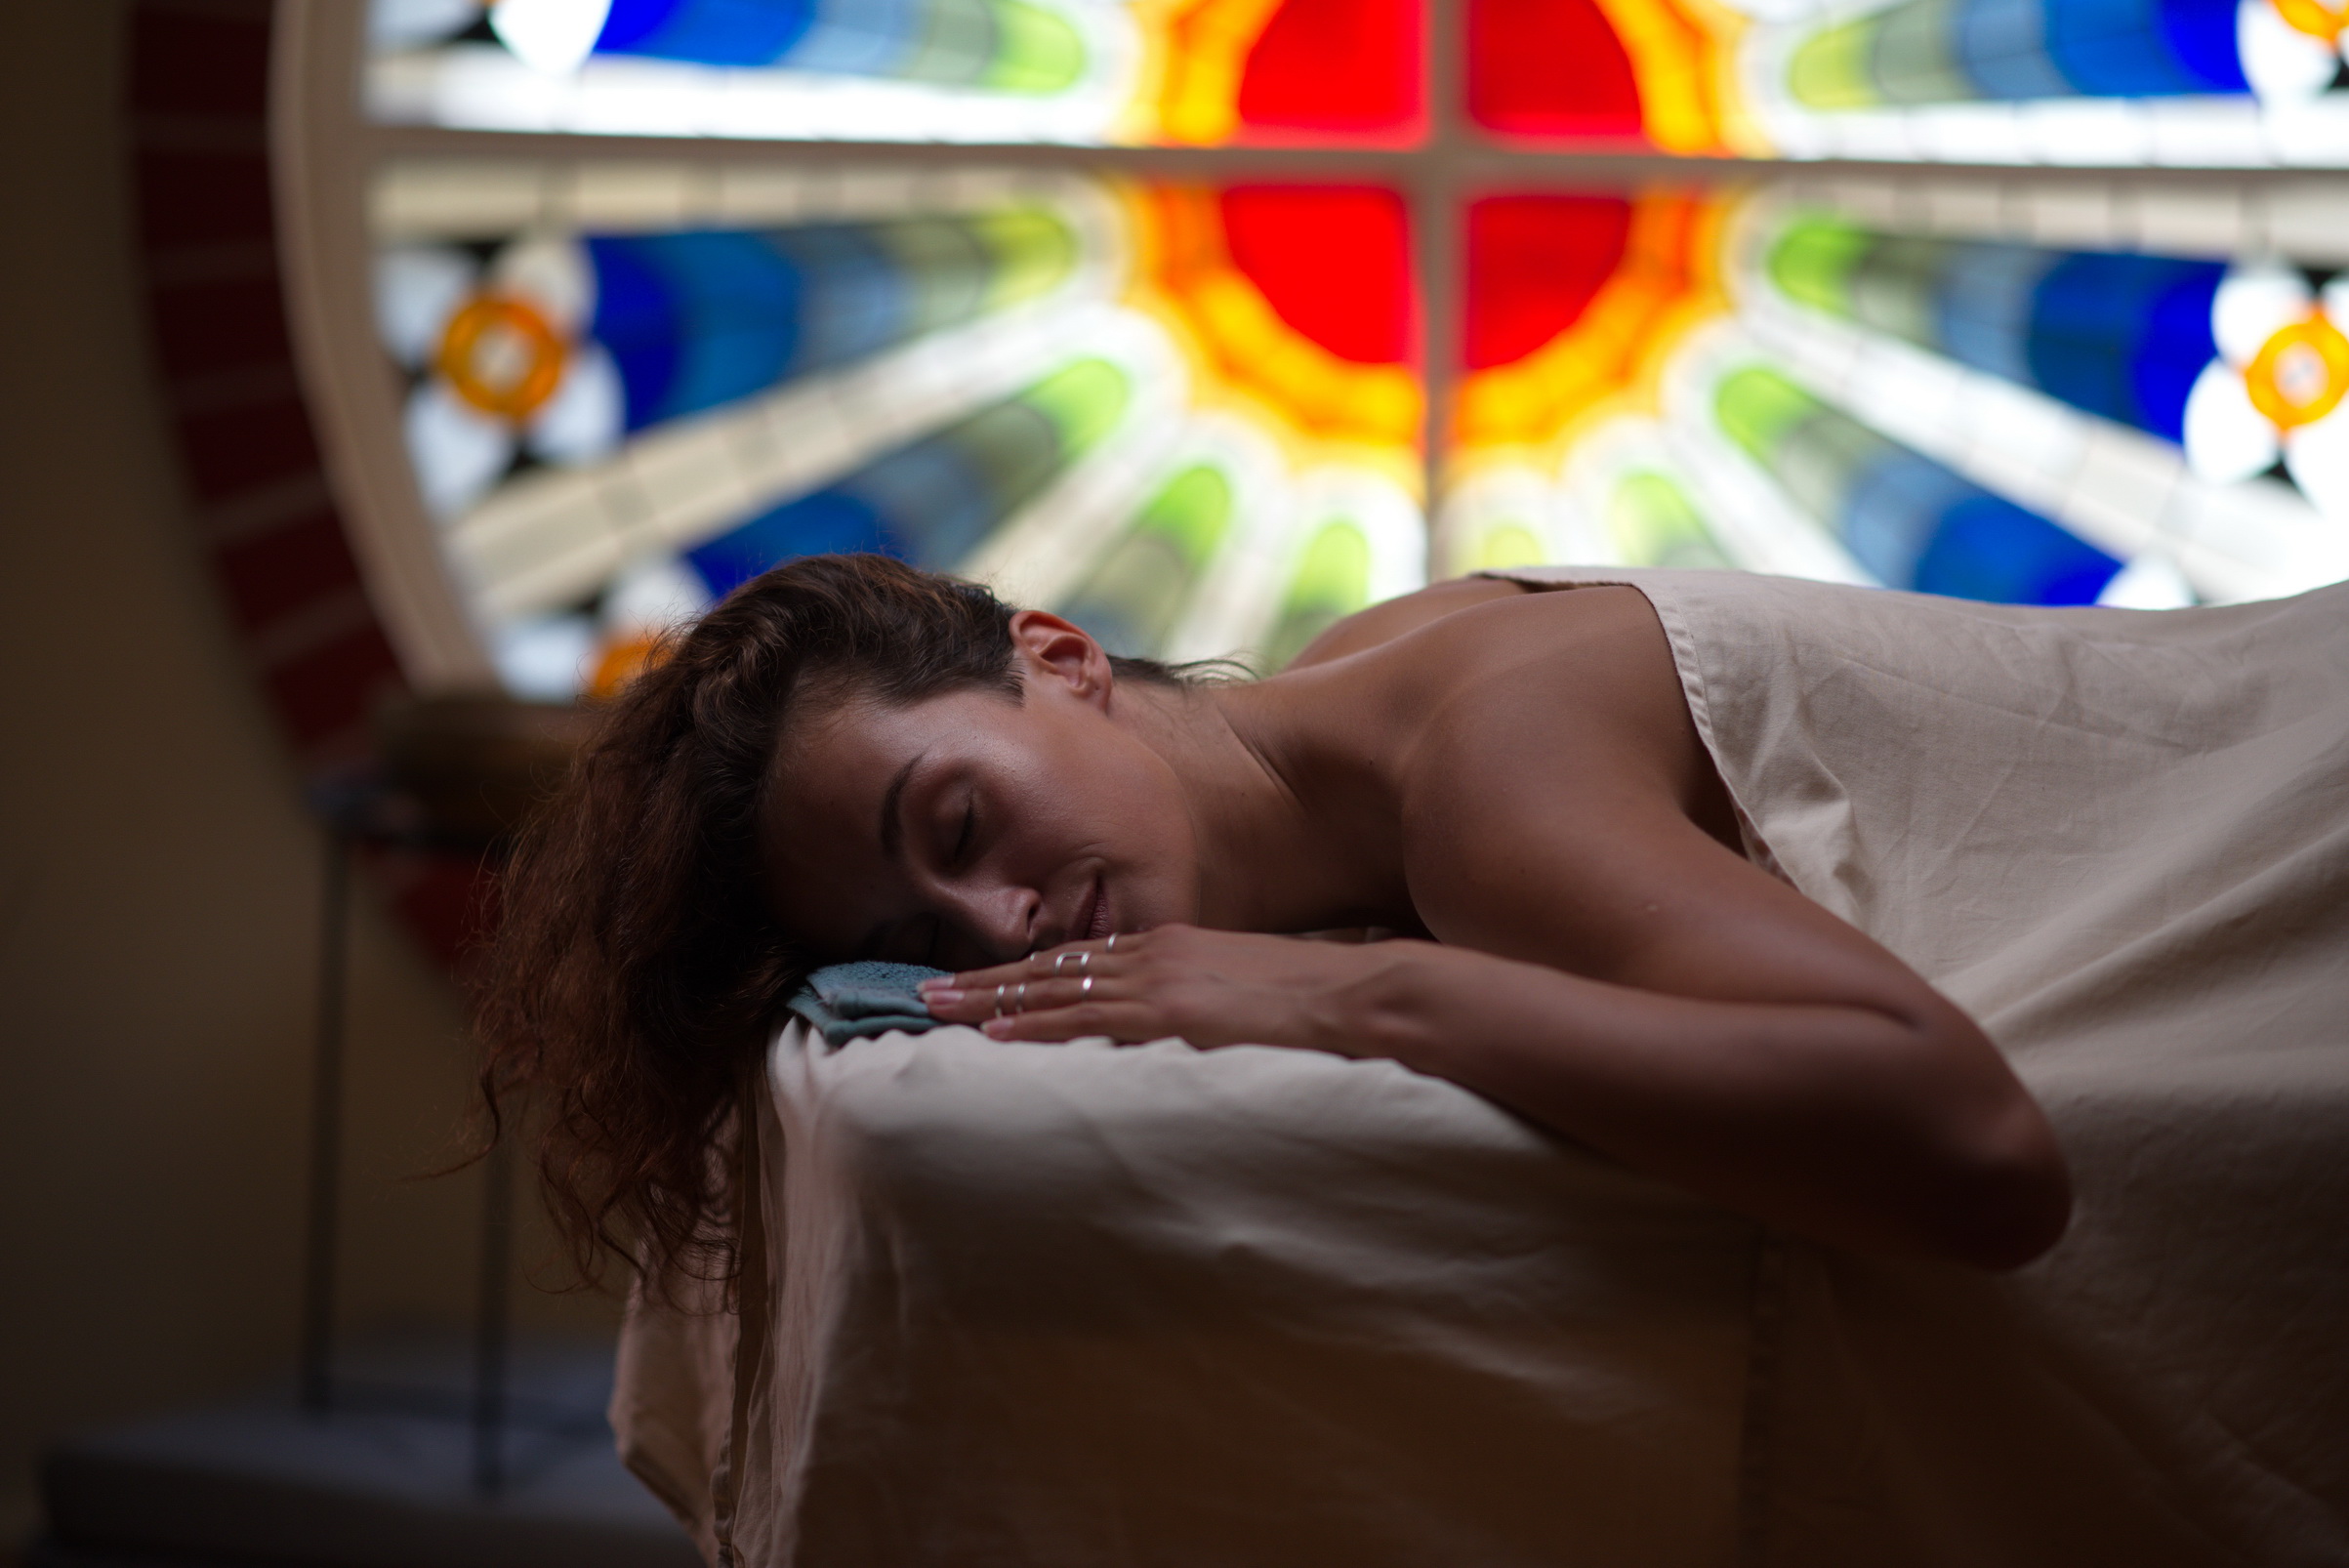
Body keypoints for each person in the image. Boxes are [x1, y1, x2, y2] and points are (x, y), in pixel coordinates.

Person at [488, 549, 2242, 1289]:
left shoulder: (1481, 786)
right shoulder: (1351, 682)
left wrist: (1361, 1002)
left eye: (955, 822)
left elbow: (1981, 1157)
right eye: (927, 942)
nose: (998, 920)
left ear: (1059, 656)